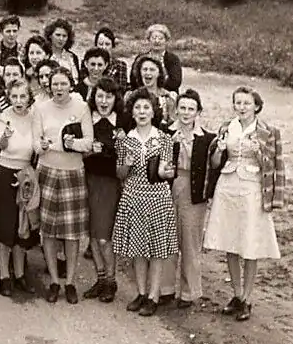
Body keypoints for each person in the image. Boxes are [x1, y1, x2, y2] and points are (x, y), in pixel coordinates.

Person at [202, 86, 284, 323]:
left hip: (251, 190)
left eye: (247, 103)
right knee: (230, 241)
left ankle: (247, 298)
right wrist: (218, 150)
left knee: (250, 244)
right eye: (238, 103)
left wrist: (260, 153)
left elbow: (274, 165)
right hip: (228, 186)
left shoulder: (268, 131)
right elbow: (216, 164)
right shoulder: (227, 128)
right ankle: (236, 295)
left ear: (256, 106)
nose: (242, 107)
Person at [112, 88, 178, 317]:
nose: (142, 112)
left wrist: (167, 172)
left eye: (146, 108)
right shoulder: (125, 141)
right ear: (132, 112)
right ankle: (141, 292)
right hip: (133, 196)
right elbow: (120, 174)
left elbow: (168, 172)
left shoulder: (164, 139)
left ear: (153, 111)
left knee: (157, 249)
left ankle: (154, 296)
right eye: (137, 108)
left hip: (157, 197)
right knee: (137, 248)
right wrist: (127, 164)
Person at [32, 67, 94, 304]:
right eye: (54, 84)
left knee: (71, 231)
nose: (58, 88)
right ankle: (54, 281)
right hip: (47, 171)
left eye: (63, 83)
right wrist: (44, 146)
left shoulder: (81, 107)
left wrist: (72, 143)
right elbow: (36, 143)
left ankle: (70, 281)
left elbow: (88, 143)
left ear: (71, 84)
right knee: (48, 229)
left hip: (72, 173)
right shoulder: (41, 108)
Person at [164, 89, 217, 309]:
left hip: (194, 192)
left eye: (191, 109)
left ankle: (188, 291)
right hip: (168, 187)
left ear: (198, 112)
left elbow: (214, 168)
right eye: (182, 108)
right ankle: (164, 288)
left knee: (190, 240)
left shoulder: (208, 138)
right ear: (176, 110)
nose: (186, 113)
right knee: (166, 238)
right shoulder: (165, 133)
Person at [0, 79, 37, 296]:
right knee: (5, 225)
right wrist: (6, 137)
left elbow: (37, 146)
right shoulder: (2, 116)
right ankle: (4, 275)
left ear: (29, 97)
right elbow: (1, 146)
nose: (19, 101)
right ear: (9, 97)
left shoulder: (36, 116)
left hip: (26, 173)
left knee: (22, 225)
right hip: (5, 172)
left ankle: (19, 274)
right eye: (14, 96)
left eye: (23, 96)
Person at [81, 78, 125, 302]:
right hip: (87, 179)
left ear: (115, 98)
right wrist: (87, 151)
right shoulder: (87, 119)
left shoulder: (123, 121)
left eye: (108, 96)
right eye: (100, 96)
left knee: (103, 236)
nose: (104, 101)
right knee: (91, 234)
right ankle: (100, 278)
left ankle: (111, 279)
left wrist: (121, 145)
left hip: (109, 183)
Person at [130, 23, 183, 93]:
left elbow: (175, 82)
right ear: (148, 40)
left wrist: (157, 88)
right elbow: (134, 80)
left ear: (166, 41)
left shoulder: (173, 59)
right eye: (154, 38)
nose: (157, 41)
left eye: (161, 38)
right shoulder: (140, 58)